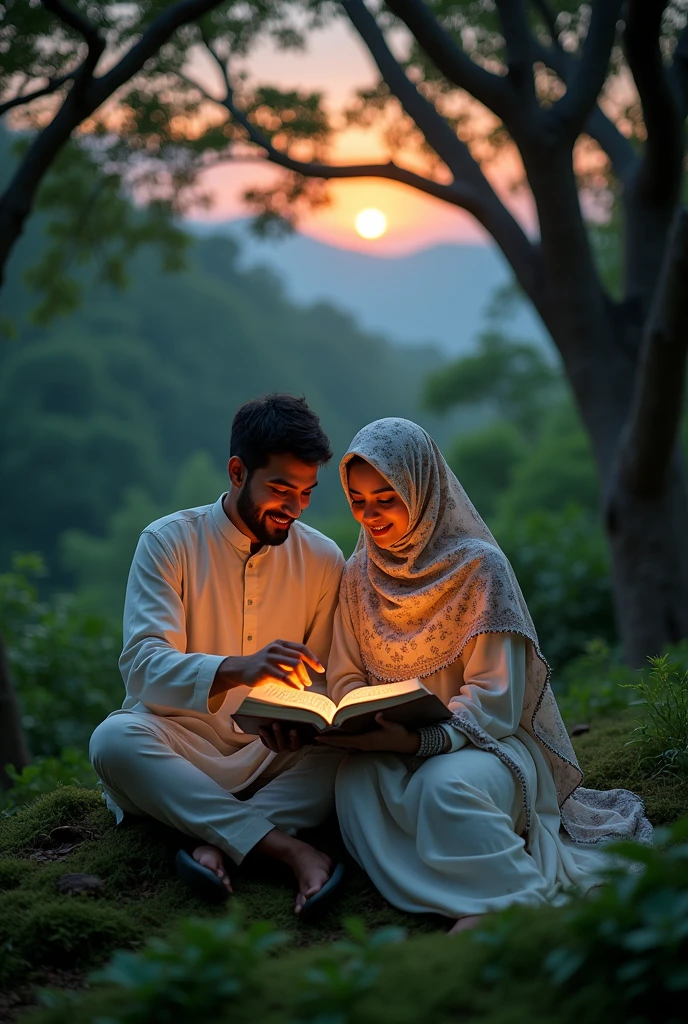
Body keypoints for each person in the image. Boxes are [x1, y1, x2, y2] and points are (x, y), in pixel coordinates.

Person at [319, 417, 651, 932]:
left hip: (485, 746)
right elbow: (344, 677)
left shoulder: (478, 569)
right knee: (355, 784)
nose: (371, 515)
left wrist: (419, 740)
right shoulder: (357, 577)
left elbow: (495, 702)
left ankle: (513, 899)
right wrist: (358, 719)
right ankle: (458, 894)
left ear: (421, 487)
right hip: (388, 744)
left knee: (444, 787)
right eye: (359, 501)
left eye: (386, 497)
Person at [90, 394, 346, 916]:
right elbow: (141, 667)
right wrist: (239, 669)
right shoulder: (168, 542)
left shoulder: (322, 558)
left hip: (271, 755)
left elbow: (321, 681)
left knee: (347, 754)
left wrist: (298, 719)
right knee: (113, 739)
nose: (294, 509)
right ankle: (287, 848)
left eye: (306, 493)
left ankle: (214, 839)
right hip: (180, 746)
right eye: (280, 489)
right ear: (236, 471)